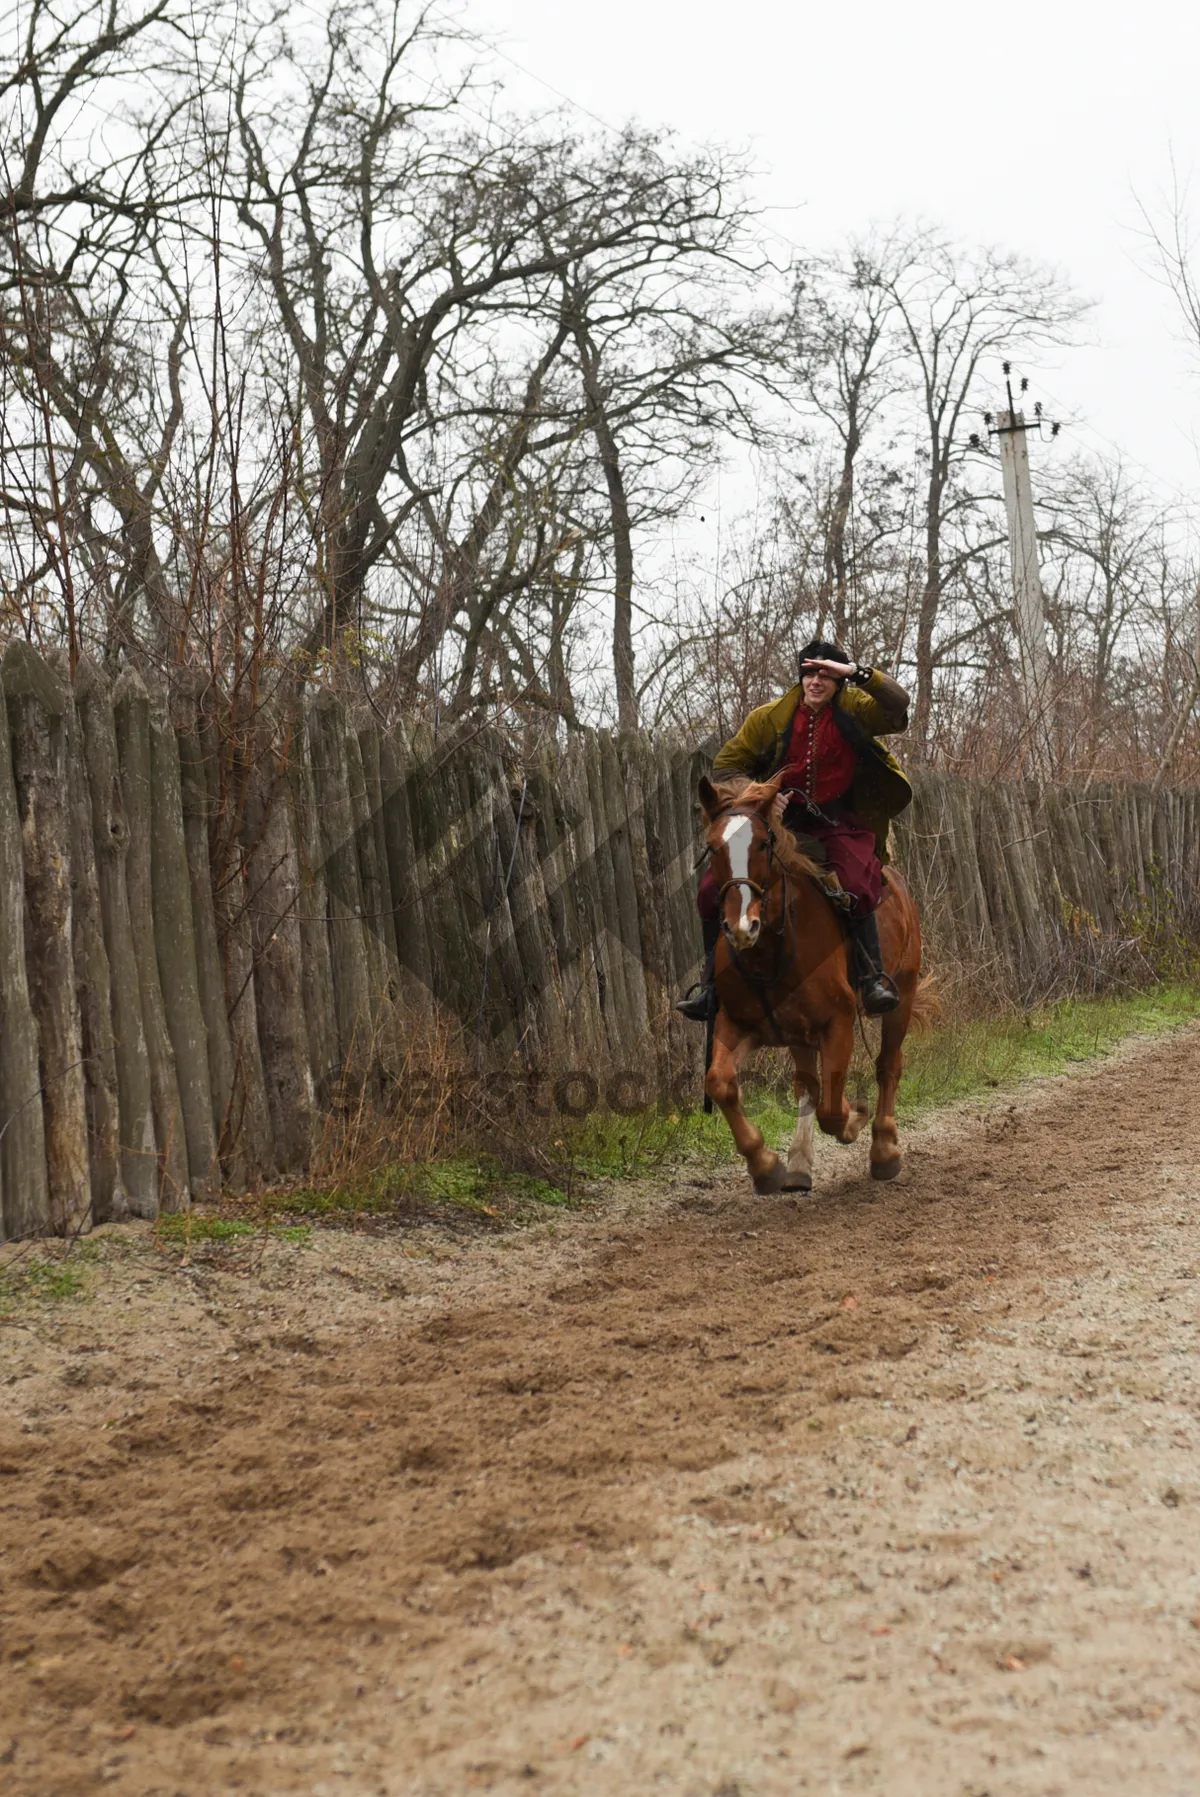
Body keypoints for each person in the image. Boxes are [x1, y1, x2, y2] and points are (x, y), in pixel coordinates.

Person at [677, 640, 913, 1020]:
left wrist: (857, 673)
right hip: (781, 825)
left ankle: (872, 979)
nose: (815, 681)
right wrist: (763, 797)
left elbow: (898, 705)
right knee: (709, 891)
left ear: (839, 681)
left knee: (855, 885)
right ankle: (710, 986)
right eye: (809, 673)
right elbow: (725, 767)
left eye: (826, 674)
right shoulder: (768, 718)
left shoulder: (855, 710)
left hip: (840, 823)